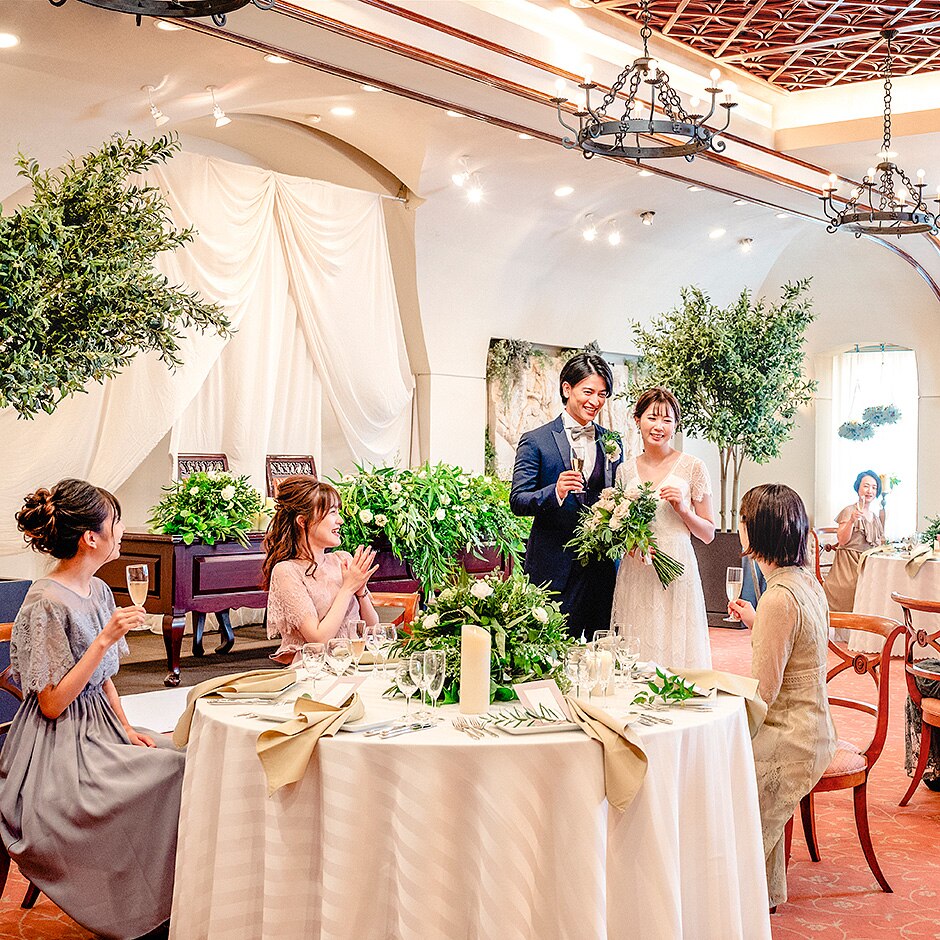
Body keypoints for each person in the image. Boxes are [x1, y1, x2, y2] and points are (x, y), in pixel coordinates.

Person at [0, 479, 184, 940]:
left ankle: (166, 902)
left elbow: (104, 681)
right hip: (55, 745)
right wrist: (104, 639)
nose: (121, 530)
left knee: (177, 756)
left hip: (101, 726)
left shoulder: (99, 590)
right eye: (115, 521)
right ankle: (139, 913)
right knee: (167, 773)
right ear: (90, 537)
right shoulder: (45, 601)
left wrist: (126, 728)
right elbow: (50, 704)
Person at [728, 483, 837, 911]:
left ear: (757, 531)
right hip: (817, 724)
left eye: (742, 519)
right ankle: (765, 894)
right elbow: (800, 649)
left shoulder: (778, 598)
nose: (738, 526)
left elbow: (763, 694)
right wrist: (759, 622)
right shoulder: (805, 581)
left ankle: (739, 896)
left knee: (723, 770)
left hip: (793, 737)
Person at [510, 352, 623, 639]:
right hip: (554, 568)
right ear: (567, 388)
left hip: (602, 570)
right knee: (553, 648)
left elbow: (619, 493)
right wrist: (556, 491)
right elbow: (518, 500)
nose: (595, 401)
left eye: (602, 394)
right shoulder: (536, 441)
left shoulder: (612, 441)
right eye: (588, 392)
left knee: (603, 648)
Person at [611, 387, 715, 668]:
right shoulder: (624, 471)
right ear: (637, 420)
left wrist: (683, 510)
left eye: (667, 420)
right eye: (652, 418)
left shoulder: (693, 467)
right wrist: (632, 547)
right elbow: (619, 526)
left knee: (677, 645)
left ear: (675, 425)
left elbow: (708, 533)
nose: (659, 426)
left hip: (677, 568)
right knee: (638, 644)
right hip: (638, 570)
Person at [262, 475, 379, 665]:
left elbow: (373, 631)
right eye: (332, 512)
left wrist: (361, 591)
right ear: (303, 521)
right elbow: (318, 640)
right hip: (313, 671)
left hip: (353, 664)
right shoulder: (286, 571)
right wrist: (348, 588)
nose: (340, 520)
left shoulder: (342, 559)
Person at [823, 470, 885, 612]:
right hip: (847, 568)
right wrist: (851, 520)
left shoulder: (875, 518)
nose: (870, 491)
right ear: (858, 488)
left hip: (867, 568)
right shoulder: (849, 511)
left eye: (874, 487)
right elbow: (842, 540)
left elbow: (879, 544)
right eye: (866, 486)